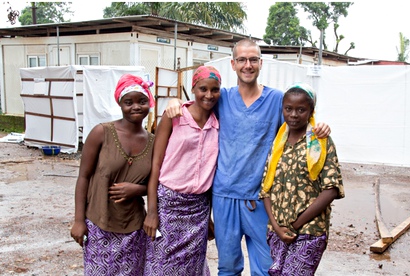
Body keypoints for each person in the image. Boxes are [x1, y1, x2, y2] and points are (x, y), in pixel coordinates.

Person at [165, 38, 331, 275]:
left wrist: (320, 126)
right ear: (233, 64)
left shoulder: (276, 100)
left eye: (253, 59)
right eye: (242, 59)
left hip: (261, 199)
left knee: (266, 268)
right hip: (224, 197)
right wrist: (175, 102)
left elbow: (300, 120)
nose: (247, 65)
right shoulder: (223, 99)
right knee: (229, 267)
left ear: (261, 63)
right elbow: (198, 105)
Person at [70, 74, 155, 275]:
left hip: (134, 228)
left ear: (149, 103)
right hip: (99, 223)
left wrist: (138, 189)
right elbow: (83, 177)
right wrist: (79, 220)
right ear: (120, 103)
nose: (136, 107)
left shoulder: (154, 142)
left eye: (142, 101)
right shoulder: (102, 133)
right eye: (129, 102)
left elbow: (157, 184)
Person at [259, 82, 345, 275]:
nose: (294, 115)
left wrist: (295, 225)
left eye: (301, 110)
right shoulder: (278, 143)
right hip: (277, 231)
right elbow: (266, 189)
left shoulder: (320, 142)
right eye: (288, 109)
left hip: (309, 231)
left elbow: (331, 188)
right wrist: (277, 227)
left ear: (311, 111)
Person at [143, 65, 221, 275]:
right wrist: (151, 212)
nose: (208, 95)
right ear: (193, 88)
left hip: (199, 209)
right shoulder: (174, 116)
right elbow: (156, 164)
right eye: (203, 89)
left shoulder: (219, 121)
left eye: (215, 90)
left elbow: (213, 172)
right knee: (161, 265)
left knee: (193, 267)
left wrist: (210, 216)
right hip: (169, 205)